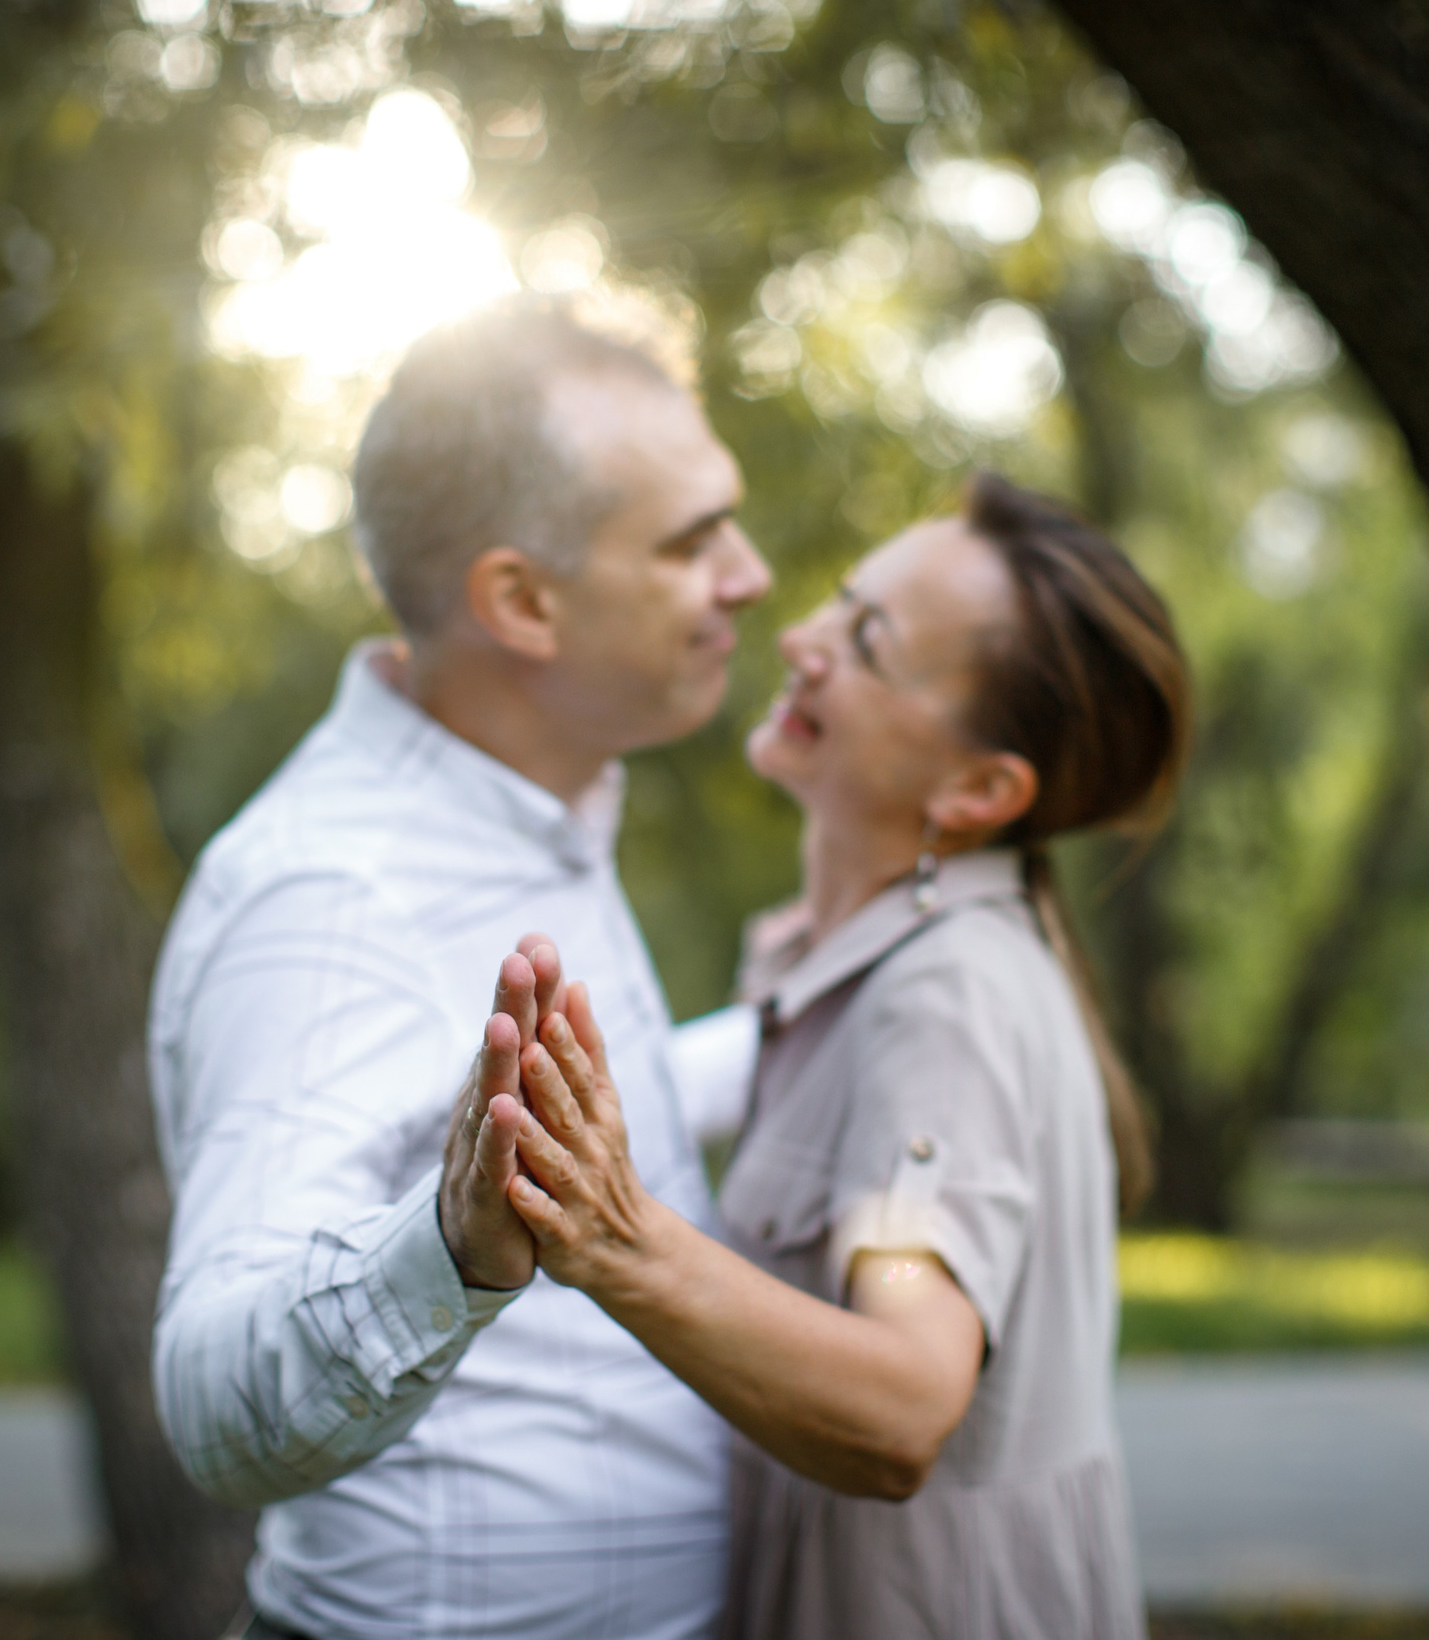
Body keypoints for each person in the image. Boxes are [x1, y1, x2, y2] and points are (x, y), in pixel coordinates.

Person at [147, 301, 772, 1640]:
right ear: (521, 601)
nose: (751, 573)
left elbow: (578, 1112)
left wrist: (828, 1025)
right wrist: (447, 1249)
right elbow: (210, 1401)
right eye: (691, 540)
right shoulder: (330, 896)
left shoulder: (531, 808)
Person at [479, 473, 1190, 1640]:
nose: (801, 640)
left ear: (978, 787)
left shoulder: (943, 994)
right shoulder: (849, 966)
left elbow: (905, 1405)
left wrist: (613, 1237)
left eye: (867, 641)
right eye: (840, 603)